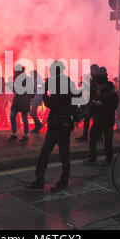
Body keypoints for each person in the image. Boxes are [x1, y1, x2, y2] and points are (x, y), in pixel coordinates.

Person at [26, 61, 77, 192]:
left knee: (63, 154)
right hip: (55, 123)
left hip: (62, 124)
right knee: (44, 152)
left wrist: (44, 94)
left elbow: (53, 103)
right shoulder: (58, 82)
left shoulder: (63, 83)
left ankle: (64, 180)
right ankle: (39, 180)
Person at [83, 70, 118, 166]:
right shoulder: (99, 90)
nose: (97, 87)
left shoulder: (112, 91)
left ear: (104, 84)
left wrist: (102, 104)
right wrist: (93, 104)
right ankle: (92, 158)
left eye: (99, 85)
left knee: (108, 141)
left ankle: (108, 159)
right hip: (98, 118)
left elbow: (114, 105)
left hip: (108, 120)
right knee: (93, 137)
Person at [9, 65, 34, 142]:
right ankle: (15, 133)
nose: (14, 72)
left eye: (15, 71)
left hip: (23, 101)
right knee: (13, 116)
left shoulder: (27, 79)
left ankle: (25, 135)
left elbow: (32, 91)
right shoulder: (16, 79)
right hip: (18, 101)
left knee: (24, 118)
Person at [76, 64, 99, 142]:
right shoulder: (93, 79)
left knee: (95, 120)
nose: (91, 71)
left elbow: (94, 90)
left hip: (95, 103)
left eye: (92, 70)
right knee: (87, 119)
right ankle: (85, 136)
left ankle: (97, 137)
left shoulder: (98, 79)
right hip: (91, 102)